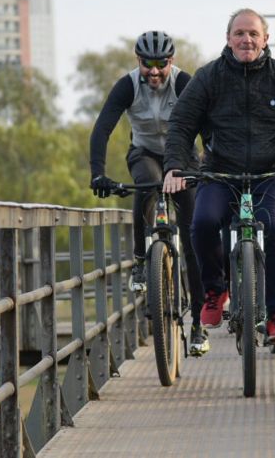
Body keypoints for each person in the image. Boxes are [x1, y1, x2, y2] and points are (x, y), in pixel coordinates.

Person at [162, 9, 275, 345]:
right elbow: (181, 124)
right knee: (202, 222)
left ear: (265, 39)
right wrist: (175, 166)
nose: (246, 39)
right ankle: (215, 291)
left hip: (270, 174)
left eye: (252, 34)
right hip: (221, 172)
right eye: (239, 33)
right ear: (228, 38)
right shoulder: (209, 77)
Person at [89, 31, 209, 356]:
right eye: (147, 64)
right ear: (137, 60)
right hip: (144, 153)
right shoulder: (127, 85)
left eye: (161, 64)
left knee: (194, 236)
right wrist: (98, 173)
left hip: (183, 157)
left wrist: (210, 163)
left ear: (171, 61)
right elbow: (102, 128)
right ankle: (141, 261)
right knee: (146, 185)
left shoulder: (184, 83)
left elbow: (208, 124)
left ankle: (198, 324)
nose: (154, 71)